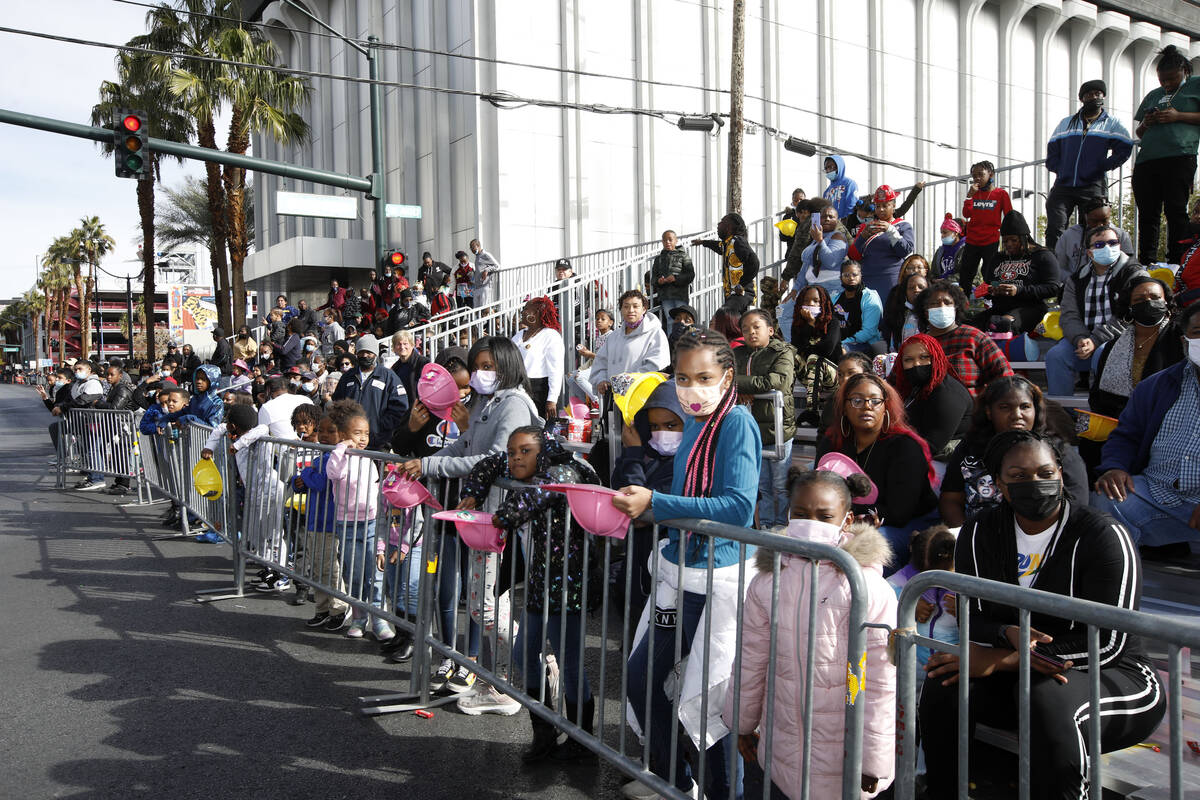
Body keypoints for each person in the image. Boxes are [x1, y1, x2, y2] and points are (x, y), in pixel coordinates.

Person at [921, 430, 1165, 800]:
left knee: (1045, 696)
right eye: (1018, 476)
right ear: (999, 485)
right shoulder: (978, 531)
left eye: (1044, 473)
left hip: (1111, 675)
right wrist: (1006, 631)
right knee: (944, 681)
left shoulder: (1103, 535)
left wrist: (1004, 658)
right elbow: (973, 611)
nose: (1034, 484)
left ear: (1060, 474)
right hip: (1021, 673)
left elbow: (1110, 642)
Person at [612, 328, 760, 800]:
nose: (691, 388)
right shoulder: (695, 422)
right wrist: (646, 508)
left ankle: (717, 792)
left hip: (717, 577)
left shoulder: (737, 423)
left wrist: (657, 500)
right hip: (678, 570)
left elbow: (737, 506)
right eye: (681, 377)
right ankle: (673, 780)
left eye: (703, 377)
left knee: (709, 702)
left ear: (727, 376)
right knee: (641, 678)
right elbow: (689, 502)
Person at [726, 469, 897, 800]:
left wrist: (874, 760)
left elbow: (880, 681)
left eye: (824, 516)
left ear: (847, 520)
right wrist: (741, 723)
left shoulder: (869, 590)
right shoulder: (768, 579)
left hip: (843, 763)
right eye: (801, 514)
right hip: (780, 753)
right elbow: (751, 658)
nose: (811, 522)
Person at [400, 337, 542, 694]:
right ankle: (500, 681)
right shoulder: (484, 402)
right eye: (477, 366)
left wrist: (431, 463)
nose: (480, 374)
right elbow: (464, 445)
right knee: (484, 606)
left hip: (503, 519)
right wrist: (425, 464)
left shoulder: (513, 404)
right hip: (482, 517)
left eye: (488, 367)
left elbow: (494, 458)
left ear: (507, 366)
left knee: (489, 607)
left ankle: (528, 666)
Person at [459, 427, 602, 746]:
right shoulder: (526, 464)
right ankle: (544, 733)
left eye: (524, 451)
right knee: (524, 656)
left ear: (543, 450)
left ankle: (581, 741)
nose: (516, 458)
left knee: (570, 663)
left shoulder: (566, 468)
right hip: (539, 586)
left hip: (570, 589)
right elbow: (491, 463)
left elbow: (541, 491)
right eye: (512, 452)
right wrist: (476, 487)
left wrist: (503, 516)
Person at [1092, 301, 1200, 553]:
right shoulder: (1157, 386)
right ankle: (1120, 581)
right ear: (1184, 341)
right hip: (1157, 493)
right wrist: (1115, 467)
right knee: (1106, 501)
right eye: (1198, 332)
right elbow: (1126, 436)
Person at [817, 372, 937, 569]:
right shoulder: (831, 442)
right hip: (845, 519)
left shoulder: (905, 447)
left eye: (875, 401)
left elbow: (899, 513)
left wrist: (848, 517)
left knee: (862, 546)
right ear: (845, 408)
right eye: (857, 400)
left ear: (885, 407)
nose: (867, 406)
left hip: (906, 523)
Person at [939, 375, 1089, 527]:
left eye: (1025, 407)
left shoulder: (1058, 451)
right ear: (989, 412)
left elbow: (1076, 507)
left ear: (1035, 410)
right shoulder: (969, 448)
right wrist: (966, 537)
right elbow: (951, 499)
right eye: (1005, 407)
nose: (1017, 415)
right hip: (979, 538)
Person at [1047, 224, 1148, 396]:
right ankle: (1064, 415)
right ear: (1089, 252)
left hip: (1121, 340)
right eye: (1099, 245)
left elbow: (1128, 316)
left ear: (1120, 246)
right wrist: (1080, 338)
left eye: (1112, 243)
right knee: (1056, 356)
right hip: (1084, 339)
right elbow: (1069, 314)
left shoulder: (1135, 275)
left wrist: (1095, 340)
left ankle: (1103, 413)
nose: (1107, 248)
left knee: (1103, 354)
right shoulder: (1076, 279)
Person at [612, 380, 685, 614]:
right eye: (654, 426)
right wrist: (632, 452)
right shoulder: (645, 453)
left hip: (671, 579)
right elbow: (620, 490)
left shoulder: (688, 466)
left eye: (672, 425)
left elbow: (640, 511)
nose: (662, 433)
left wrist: (633, 456)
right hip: (637, 574)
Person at [323, 399, 391, 642]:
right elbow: (333, 473)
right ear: (343, 434)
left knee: (375, 575)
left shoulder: (369, 458)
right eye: (357, 433)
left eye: (366, 433)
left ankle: (379, 619)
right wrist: (342, 447)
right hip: (347, 524)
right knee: (354, 574)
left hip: (372, 523)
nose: (363, 438)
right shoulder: (340, 457)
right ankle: (359, 617)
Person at [1044, 79, 1134, 250]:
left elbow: (1124, 148)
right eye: (1088, 94)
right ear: (1082, 98)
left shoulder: (1112, 123)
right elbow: (1053, 150)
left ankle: (1089, 265)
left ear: (1103, 96)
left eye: (1097, 94)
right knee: (1055, 227)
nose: (1093, 97)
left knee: (1093, 228)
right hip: (1064, 185)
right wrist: (1060, 169)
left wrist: (1102, 166)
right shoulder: (1066, 123)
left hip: (1093, 185)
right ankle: (1053, 267)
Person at [1133, 45, 1200, 265]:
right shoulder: (1154, 95)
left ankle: (1176, 260)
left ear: (1184, 71)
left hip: (1179, 156)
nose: (1167, 84)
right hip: (1148, 159)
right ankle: (1147, 261)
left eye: (1171, 79)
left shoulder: (1195, 85)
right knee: (1148, 214)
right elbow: (1139, 132)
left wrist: (1178, 115)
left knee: (1175, 210)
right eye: (1163, 80)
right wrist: (1147, 122)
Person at [734, 309, 796, 530]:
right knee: (763, 486)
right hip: (752, 432)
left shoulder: (783, 351)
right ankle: (767, 525)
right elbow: (726, 378)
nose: (751, 332)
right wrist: (746, 384)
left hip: (778, 430)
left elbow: (776, 381)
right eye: (745, 329)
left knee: (781, 484)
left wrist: (742, 384)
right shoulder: (738, 354)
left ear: (770, 329)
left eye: (756, 327)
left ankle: (782, 525)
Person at [1089, 276, 1183, 421]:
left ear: (1166, 302)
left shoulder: (1181, 339)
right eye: (1139, 300)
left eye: (1155, 297)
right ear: (1129, 307)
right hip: (1122, 422)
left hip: (1170, 420)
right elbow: (1098, 397)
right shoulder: (1112, 347)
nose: (1149, 303)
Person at [292, 412, 353, 629]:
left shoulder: (338, 457)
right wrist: (298, 480)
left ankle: (339, 608)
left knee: (330, 570)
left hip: (329, 522)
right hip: (313, 521)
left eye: (331, 431)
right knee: (317, 569)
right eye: (322, 431)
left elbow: (322, 482)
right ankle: (322, 608)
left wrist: (306, 475)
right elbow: (301, 479)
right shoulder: (320, 456)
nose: (324, 436)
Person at [916, 279, 1013, 397]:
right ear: (925, 311)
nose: (941, 307)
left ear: (956, 308)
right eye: (934, 304)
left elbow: (1005, 377)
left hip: (973, 410)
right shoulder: (917, 344)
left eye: (947, 302)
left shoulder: (974, 338)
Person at [973, 211, 1061, 335]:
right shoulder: (998, 258)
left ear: (1024, 238)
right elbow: (990, 282)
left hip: (1030, 309)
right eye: (1005, 241)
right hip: (999, 309)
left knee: (1004, 324)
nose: (1009, 245)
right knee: (970, 327)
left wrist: (1018, 290)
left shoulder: (1042, 255)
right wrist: (993, 289)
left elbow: (1053, 288)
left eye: (1014, 240)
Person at [888, 333, 973, 461]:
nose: (916, 364)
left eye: (924, 357)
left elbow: (932, 445)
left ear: (936, 358)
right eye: (908, 360)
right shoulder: (916, 387)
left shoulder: (947, 393)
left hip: (946, 460)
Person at [331, 334, 409, 451]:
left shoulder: (388, 376)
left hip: (378, 443)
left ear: (375, 354)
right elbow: (337, 403)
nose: (365, 355)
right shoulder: (347, 377)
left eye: (369, 352)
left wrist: (379, 426)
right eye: (361, 352)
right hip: (349, 442)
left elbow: (401, 407)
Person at [591, 290, 670, 395]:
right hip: (615, 397)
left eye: (636, 306)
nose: (630, 310)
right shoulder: (613, 336)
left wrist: (629, 382)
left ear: (644, 309)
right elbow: (601, 362)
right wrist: (601, 379)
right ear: (621, 310)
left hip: (643, 396)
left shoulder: (655, 333)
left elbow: (656, 364)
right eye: (626, 306)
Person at [848, 185, 916, 298]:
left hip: (892, 279)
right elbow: (853, 255)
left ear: (894, 206)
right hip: (868, 279)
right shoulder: (866, 227)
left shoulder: (903, 225)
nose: (881, 209)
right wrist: (862, 237)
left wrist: (890, 230)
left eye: (885, 205)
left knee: (890, 313)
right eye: (878, 206)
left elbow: (905, 251)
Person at [791, 284, 842, 425]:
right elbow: (797, 348)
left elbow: (827, 350)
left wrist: (813, 324)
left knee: (814, 358)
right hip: (810, 376)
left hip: (832, 376)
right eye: (806, 301)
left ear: (823, 303)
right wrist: (807, 326)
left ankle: (811, 410)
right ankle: (786, 406)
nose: (810, 304)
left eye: (815, 301)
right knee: (789, 355)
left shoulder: (833, 322)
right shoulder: (798, 324)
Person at [959, 160, 1013, 294]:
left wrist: (1009, 237)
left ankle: (993, 298)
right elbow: (966, 213)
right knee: (966, 271)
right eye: (974, 176)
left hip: (991, 239)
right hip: (972, 240)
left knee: (992, 270)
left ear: (991, 174)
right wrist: (969, 197)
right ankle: (963, 302)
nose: (977, 178)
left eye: (980, 174)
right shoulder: (974, 193)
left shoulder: (1001, 194)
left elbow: (1009, 215)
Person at [1053, 196, 1135, 280]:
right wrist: (1074, 282)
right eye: (1094, 221)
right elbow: (1059, 268)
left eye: (1104, 220)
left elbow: (1128, 266)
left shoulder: (1121, 235)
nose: (1100, 225)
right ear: (1086, 217)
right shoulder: (1069, 236)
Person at [512, 296, 564, 418]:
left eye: (527, 309)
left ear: (538, 314)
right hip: (517, 387)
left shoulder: (550, 336)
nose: (523, 312)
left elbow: (555, 370)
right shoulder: (518, 335)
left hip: (538, 390)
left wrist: (552, 400)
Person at [694, 212, 760, 302]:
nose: (718, 224)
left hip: (742, 293)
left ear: (728, 226)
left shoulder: (737, 241)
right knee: (730, 314)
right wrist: (703, 242)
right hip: (732, 294)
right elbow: (718, 246)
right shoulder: (727, 244)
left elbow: (754, 262)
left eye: (722, 221)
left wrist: (741, 284)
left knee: (725, 313)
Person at [96, 363, 137, 495]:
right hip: (114, 427)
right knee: (116, 456)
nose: (108, 377)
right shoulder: (114, 388)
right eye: (107, 374)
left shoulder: (122, 389)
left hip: (123, 428)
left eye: (111, 374)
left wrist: (99, 403)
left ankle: (124, 484)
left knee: (122, 455)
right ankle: (118, 482)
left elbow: (115, 408)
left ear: (120, 375)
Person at [832, 260, 884, 353]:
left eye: (855, 275)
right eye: (846, 275)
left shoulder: (869, 297)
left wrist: (842, 343)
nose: (851, 278)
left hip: (865, 345)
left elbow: (869, 332)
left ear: (860, 276)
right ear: (841, 278)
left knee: (839, 350)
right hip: (840, 343)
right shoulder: (835, 299)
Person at [651, 229, 695, 322]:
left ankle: (683, 337)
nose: (667, 242)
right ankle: (672, 337)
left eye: (670, 239)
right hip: (665, 296)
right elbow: (653, 278)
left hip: (680, 295)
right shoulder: (658, 259)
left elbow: (691, 275)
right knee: (670, 320)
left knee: (682, 320)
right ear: (662, 241)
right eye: (665, 240)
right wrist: (659, 281)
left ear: (676, 240)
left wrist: (676, 278)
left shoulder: (683, 256)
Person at [881, 272, 929, 351]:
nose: (916, 290)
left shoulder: (933, 313)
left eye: (921, 287)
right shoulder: (898, 315)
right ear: (905, 292)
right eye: (911, 288)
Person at [257, 375, 312, 439]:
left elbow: (262, 435)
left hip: (284, 448)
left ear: (268, 392)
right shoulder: (306, 399)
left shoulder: (267, 407)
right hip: (313, 446)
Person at [389, 330, 429, 404]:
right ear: (394, 348)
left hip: (421, 410)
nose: (402, 347)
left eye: (405, 344)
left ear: (412, 345)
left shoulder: (423, 363)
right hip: (403, 410)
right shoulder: (395, 368)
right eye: (398, 344)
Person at [821, 154, 859, 219]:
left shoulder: (849, 184)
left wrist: (845, 222)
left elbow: (851, 206)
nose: (828, 171)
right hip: (830, 226)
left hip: (845, 225)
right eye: (826, 168)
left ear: (838, 167)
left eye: (830, 167)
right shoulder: (826, 192)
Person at [931, 214, 966, 280]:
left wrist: (947, 280)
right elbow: (933, 272)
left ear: (955, 233)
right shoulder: (940, 251)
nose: (942, 236)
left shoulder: (966, 250)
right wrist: (933, 280)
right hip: (940, 286)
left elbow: (967, 273)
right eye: (941, 233)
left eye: (945, 232)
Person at [470, 238, 501, 306]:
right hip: (477, 286)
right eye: (471, 248)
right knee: (476, 309)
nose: (472, 250)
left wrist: (487, 270)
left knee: (484, 308)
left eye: (473, 248)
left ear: (478, 246)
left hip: (485, 285)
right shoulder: (477, 256)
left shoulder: (486, 254)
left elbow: (497, 266)